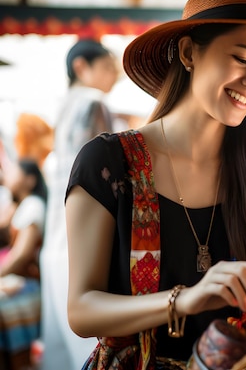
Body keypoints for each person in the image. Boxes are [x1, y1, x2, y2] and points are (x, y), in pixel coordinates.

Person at [64, 0, 246, 368]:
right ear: (190, 53)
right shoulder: (108, 163)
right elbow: (82, 311)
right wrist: (184, 299)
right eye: (242, 58)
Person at [40, 38, 118, 370]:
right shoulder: (93, 101)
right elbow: (103, 174)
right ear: (80, 67)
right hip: (82, 231)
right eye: (108, 68)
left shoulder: (62, 106)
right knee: (84, 348)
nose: (113, 78)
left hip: (55, 232)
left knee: (57, 345)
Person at [0, 158, 47, 370]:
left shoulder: (33, 205)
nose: (9, 174)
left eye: (14, 171)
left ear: (29, 180)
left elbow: (22, 255)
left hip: (28, 282)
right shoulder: (20, 206)